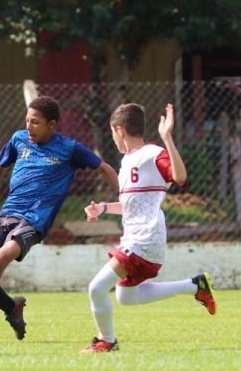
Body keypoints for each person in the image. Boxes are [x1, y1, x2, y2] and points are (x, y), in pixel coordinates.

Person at [0, 96, 119, 341]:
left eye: (35, 122)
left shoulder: (70, 149)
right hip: (6, 215)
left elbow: (104, 168)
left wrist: (125, 197)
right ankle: (12, 308)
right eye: (27, 121)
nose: (29, 127)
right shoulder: (19, 139)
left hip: (33, 222)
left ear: (52, 125)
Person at [81, 103, 216, 353]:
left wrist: (167, 138)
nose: (113, 137)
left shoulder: (153, 153)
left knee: (97, 287)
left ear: (119, 130)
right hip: (136, 239)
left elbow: (181, 177)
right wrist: (102, 208)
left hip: (145, 239)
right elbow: (131, 204)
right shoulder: (127, 162)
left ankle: (106, 341)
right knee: (125, 297)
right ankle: (194, 285)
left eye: (112, 132)